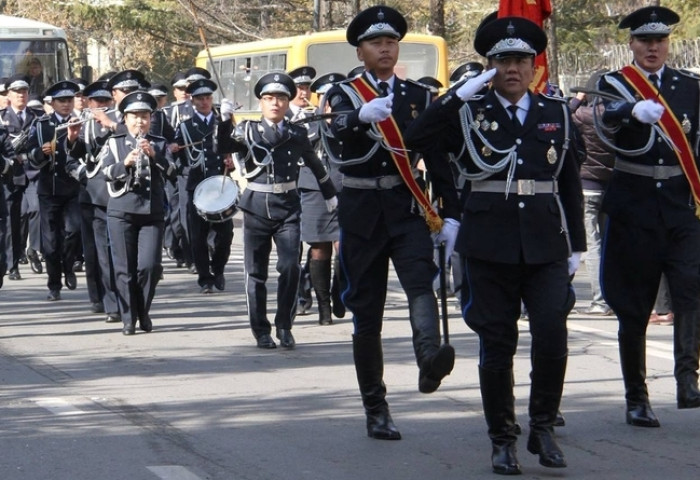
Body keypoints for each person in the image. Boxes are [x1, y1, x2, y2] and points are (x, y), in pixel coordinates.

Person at [405, 16, 585, 474]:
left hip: (545, 244)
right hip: (488, 241)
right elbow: (415, 139)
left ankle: (542, 427)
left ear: (533, 67)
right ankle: (502, 438)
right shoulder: (468, 111)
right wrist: (452, 98)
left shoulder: (556, 113)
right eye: (503, 60)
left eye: (521, 60)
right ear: (490, 65)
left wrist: (578, 244)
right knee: (497, 342)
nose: (513, 68)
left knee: (551, 335)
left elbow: (568, 182)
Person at [325, 5, 459, 441]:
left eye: (390, 42)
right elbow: (336, 134)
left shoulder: (418, 96)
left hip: (406, 205)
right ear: (360, 52)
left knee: (422, 281)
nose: (384, 48)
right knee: (368, 312)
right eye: (375, 43)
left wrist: (450, 212)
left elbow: (437, 158)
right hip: (362, 209)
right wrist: (359, 119)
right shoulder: (345, 94)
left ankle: (427, 356)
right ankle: (376, 406)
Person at [596, 6, 700, 427]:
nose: (652, 47)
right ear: (632, 44)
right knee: (633, 305)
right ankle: (636, 396)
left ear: (667, 44)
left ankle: (687, 380)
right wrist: (631, 111)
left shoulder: (690, 86)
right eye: (644, 40)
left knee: (691, 291)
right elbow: (608, 117)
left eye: (659, 40)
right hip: (633, 204)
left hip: (680, 202)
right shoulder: (615, 83)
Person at [217, 72, 338, 350]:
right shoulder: (246, 130)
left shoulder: (296, 133)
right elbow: (223, 147)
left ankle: (285, 324)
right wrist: (224, 120)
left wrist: (330, 195)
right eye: (269, 98)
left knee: (290, 267)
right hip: (257, 205)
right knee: (256, 272)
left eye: (281, 98)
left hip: (288, 207)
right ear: (261, 102)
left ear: (288, 102)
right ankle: (260, 329)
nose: (275, 103)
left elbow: (314, 164)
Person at [101, 91, 174, 335]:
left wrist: (154, 155)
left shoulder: (159, 142)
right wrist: (126, 164)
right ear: (125, 119)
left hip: (151, 212)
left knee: (150, 266)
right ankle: (129, 317)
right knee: (125, 269)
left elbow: (172, 170)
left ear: (151, 118)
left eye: (144, 116)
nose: (140, 121)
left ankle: (143, 309)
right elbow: (106, 173)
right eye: (134, 116)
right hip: (121, 211)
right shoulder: (114, 142)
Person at [66, 80, 121, 323]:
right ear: (88, 103)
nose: (102, 106)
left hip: (117, 194)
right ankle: (98, 296)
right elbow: (71, 158)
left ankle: (116, 298)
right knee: (94, 251)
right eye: (97, 102)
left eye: (106, 101)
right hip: (91, 195)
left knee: (112, 251)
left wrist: (110, 124)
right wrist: (72, 138)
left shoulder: (119, 123)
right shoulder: (82, 125)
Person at [26, 81, 86, 301]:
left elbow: (86, 151)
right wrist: (42, 152)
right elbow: (30, 153)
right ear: (52, 103)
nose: (67, 104)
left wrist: (73, 139)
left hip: (72, 188)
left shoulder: (80, 122)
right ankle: (54, 285)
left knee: (74, 230)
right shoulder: (41, 124)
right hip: (48, 189)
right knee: (50, 242)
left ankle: (68, 266)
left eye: (70, 100)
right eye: (62, 100)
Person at [174, 78, 234, 294]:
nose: (205, 102)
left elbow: (233, 149)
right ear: (192, 101)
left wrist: (231, 163)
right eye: (200, 98)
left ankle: (218, 268)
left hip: (221, 185)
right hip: (197, 187)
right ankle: (205, 278)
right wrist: (174, 150)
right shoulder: (185, 127)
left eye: (208, 97)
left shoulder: (223, 122)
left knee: (225, 234)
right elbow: (179, 159)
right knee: (197, 236)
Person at [298, 72, 347, 325]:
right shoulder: (307, 123)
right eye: (329, 100)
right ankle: (323, 305)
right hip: (316, 189)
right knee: (319, 249)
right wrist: (320, 124)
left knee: (345, 249)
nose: (333, 106)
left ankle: (339, 292)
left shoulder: (349, 121)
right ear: (321, 101)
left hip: (345, 187)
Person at [568, 70, 614, 316]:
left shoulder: (581, 115)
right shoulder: (617, 116)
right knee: (611, 244)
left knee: (593, 245)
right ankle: (615, 297)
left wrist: (578, 98)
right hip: (612, 186)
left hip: (587, 186)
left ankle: (599, 301)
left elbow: (561, 115)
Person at [1, 74, 43, 281]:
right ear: (8, 94)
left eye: (24, 91)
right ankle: (12, 263)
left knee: (35, 208)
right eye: (17, 92)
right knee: (12, 220)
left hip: (33, 171)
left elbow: (46, 142)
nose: (21, 95)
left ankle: (33, 249)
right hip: (10, 174)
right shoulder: (2, 117)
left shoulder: (37, 116)